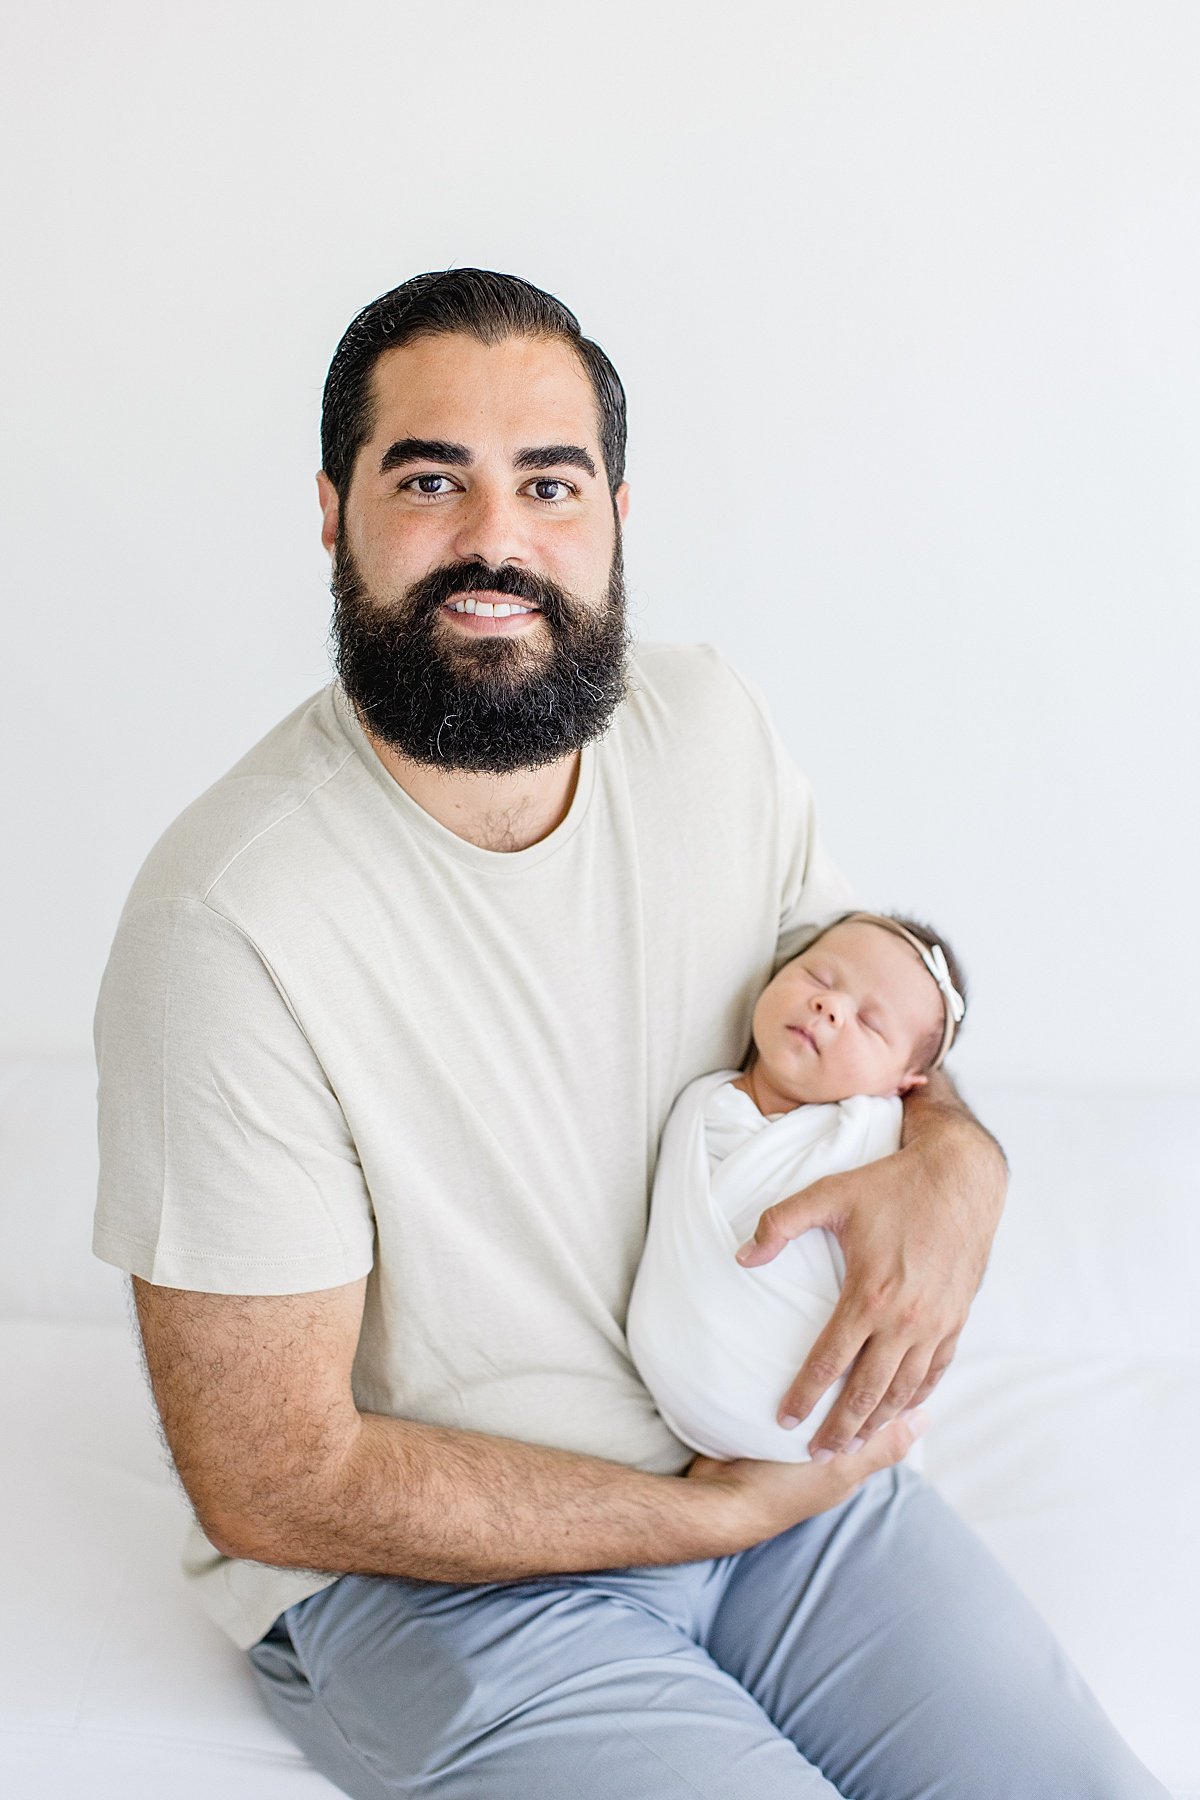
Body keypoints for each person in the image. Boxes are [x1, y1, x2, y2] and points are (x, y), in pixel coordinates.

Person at [92, 269, 1168, 1797]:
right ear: (330, 515)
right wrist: (699, 1519)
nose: (496, 542)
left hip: (783, 1494)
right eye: (429, 481)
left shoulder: (709, 726)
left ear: (614, 513)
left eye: (549, 481)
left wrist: (958, 1151)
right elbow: (275, 1479)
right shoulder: (230, 926)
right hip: (447, 1585)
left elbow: (868, 1021)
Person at [627, 911, 970, 1464]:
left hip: (822, 1441)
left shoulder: (873, 1137)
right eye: (820, 979)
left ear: (904, 1086)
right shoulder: (700, 1100)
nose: (830, 1007)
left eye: (871, 1024)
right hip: (674, 1442)